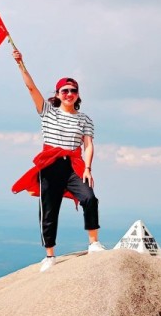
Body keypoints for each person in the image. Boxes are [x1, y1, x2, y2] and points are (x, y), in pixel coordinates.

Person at [11, 49, 105, 272]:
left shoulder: (85, 119)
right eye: (65, 90)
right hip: (51, 165)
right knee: (49, 209)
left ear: (78, 95)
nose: (69, 94)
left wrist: (88, 168)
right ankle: (50, 255)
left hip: (73, 165)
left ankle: (93, 243)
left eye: (73, 90)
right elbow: (31, 88)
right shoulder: (48, 112)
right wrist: (20, 63)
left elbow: (88, 144)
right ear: (58, 93)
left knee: (89, 198)